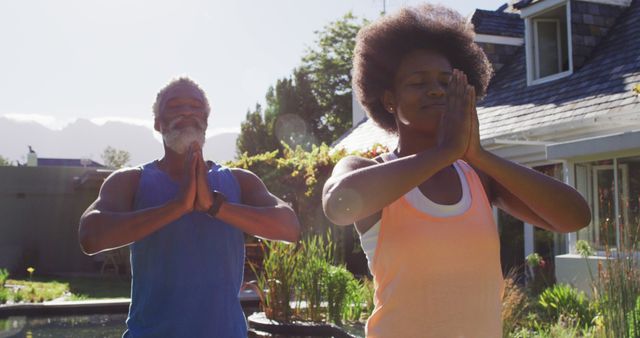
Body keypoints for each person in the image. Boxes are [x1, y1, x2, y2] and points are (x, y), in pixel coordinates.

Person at [322, 4, 591, 337]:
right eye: (418, 83)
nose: (435, 90)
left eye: (446, 81)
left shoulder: (478, 176)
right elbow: (338, 204)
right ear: (389, 100)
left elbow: (575, 217)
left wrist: (477, 154)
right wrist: (444, 151)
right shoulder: (366, 170)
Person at [78, 77, 301, 337]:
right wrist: (177, 206)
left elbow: (290, 228)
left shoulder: (240, 181)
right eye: (174, 106)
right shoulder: (130, 181)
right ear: (157, 123)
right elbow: (90, 237)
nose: (187, 111)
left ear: (206, 121)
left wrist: (215, 206)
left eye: (196, 107)